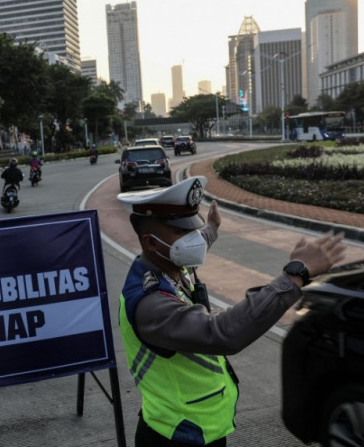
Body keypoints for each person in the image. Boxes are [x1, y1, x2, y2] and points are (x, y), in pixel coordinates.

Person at [116, 176, 346, 447]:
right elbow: (221, 333)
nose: (194, 239)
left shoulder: (166, 262)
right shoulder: (150, 303)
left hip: (203, 428)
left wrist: (212, 227)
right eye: (182, 233)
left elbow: (196, 240)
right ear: (151, 243)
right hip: (175, 435)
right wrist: (295, 275)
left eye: (193, 228)